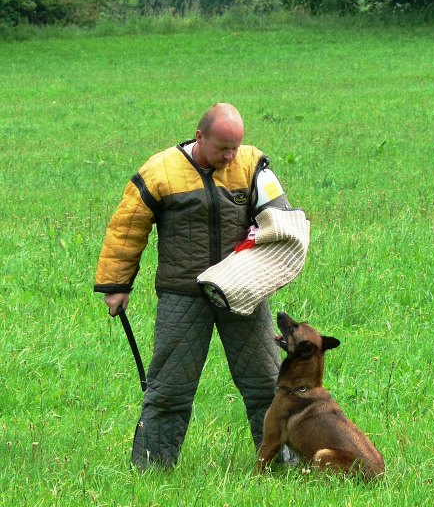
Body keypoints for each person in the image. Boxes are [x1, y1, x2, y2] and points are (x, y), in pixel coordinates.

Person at [94, 103, 292, 470]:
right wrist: (116, 284)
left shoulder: (251, 166)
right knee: (169, 389)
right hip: (183, 295)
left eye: (235, 147)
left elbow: (280, 222)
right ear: (200, 136)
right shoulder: (161, 171)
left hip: (241, 293)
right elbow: (127, 227)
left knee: (267, 385)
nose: (230, 156)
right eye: (223, 148)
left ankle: (282, 465)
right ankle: (152, 469)